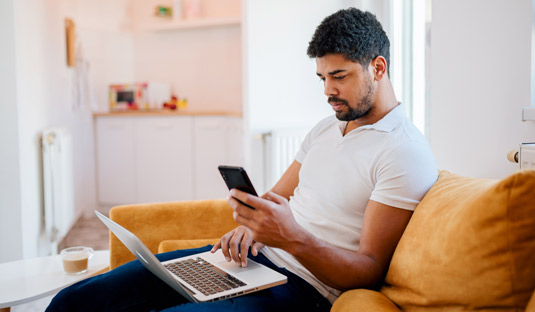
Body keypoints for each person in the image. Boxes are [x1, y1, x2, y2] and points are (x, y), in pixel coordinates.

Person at [47, 7, 437, 312]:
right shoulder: (325, 128)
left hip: (301, 291)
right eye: (321, 78)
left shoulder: (403, 152)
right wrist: (253, 225)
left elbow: (368, 269)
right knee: (74, 302)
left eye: (339, 76)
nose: (328, 91)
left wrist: (293, 239)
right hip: (249, 261)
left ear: (378, 68)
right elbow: (277, 195)